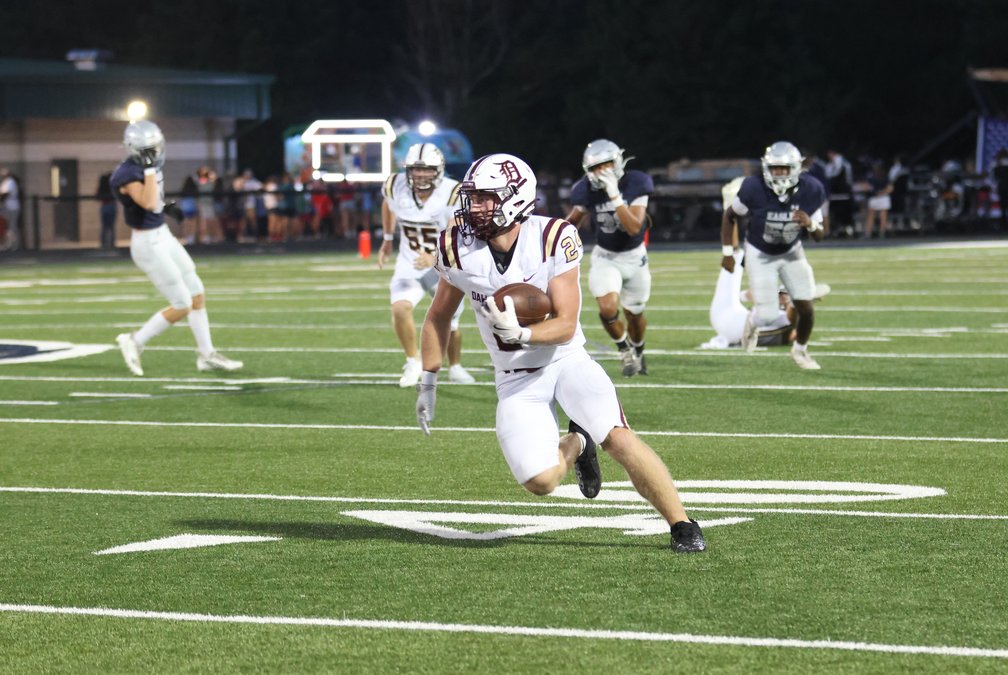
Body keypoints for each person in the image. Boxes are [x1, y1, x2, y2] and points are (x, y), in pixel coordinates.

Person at [415, 153, 706, 553]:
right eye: (473, 197)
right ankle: (577, 443)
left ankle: (682, 523)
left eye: (486, 198)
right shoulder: (456, 247)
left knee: (618, 438)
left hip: (565, 360)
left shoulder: (552, 236)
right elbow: (438, 315)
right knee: (541, 481)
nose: (474, 207)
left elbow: (566, 323)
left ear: (516, 199)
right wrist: (428, 379)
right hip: (515, 378)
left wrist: (523, 332)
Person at [110, 120, 243, 376]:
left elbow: (155, 203)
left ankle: (206, 355)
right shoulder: (126, 174)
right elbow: (148, 202)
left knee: (197, 293)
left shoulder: (146, 166)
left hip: (162, 235)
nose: (157, 152)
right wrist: (150, 170)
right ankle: (134, 340)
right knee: (182, 304)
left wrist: (167, 207)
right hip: (147, 244)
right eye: (151, 149)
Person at [721, 141, 826, 370]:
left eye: (784, 168)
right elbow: (730, 215)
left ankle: (800, 350)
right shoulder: (754, 187)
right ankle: (753, 321)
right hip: (760, 253)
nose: (779, 173)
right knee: (767, 316)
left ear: (796, 168)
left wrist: (810, 224)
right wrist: (727, 252)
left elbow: (819, 235)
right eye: (775, 168)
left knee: (806, 307)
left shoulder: (810, 190)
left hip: (791, 252)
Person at [378, 143, 475, 386]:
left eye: (427, 169)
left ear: (439, 170)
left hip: (444, 265)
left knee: (451, 322)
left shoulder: (453, 192)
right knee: (400, 308)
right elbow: (388, 205)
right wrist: (388, 239)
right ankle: (413, 361)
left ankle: (455, 366)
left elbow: (457, 231)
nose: (421, 174)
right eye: (416, 169)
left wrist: (436, 256)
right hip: (409, 262)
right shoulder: (395, 185)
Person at [564, 139, 654, 377]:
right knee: (607, 308)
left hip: (635, 257)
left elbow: (634, 228)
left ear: (618, 162)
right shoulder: (585, 189)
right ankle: (624, 350)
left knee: (635, 314)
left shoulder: (636, 182)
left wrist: (614, 195)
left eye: (606, 165)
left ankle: (638, 349)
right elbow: (571, 223)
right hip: (606, 257)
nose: (602, 171)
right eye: (596, 167)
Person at [862, 163, 893, 239]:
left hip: (880, 197)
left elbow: (890, 188)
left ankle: (879, 233)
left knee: (880, 216)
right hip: (877, 197)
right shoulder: (874, 177)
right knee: (874, 215)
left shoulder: (884, 177)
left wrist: (880, 192)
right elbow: (866, 187)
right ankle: (871, 233)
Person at [0, 168, 21, 251]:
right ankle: (8, 244)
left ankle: (14, 245)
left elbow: (5, 194)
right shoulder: (5, 182)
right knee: (6, 227)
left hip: (12, 207)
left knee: (12, 227)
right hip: (7, 207)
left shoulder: (10, 182)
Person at [96, 171, 118, 249]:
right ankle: (111, 243)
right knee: (110, 226)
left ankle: (104, 244)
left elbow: (97, 197)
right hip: (110, 205)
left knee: (105, 226)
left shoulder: (104, 186)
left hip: (105, 206)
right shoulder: (111, 186)